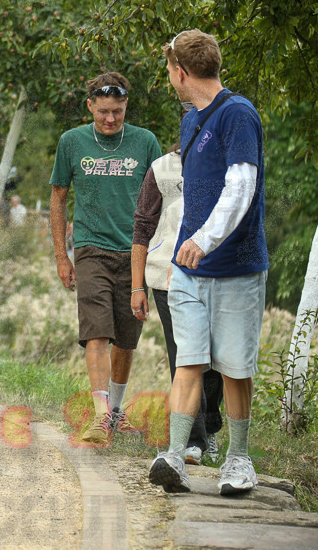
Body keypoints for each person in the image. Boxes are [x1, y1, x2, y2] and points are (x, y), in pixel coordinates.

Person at [148, 29, 268, 496]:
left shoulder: (238, 115)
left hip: (236, 268)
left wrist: (204, 239)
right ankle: (175, 456)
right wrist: (184, 249)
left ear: (180, 72)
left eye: (169, 71)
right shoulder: (191, 120)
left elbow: (241, 187)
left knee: (236, 369)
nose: (170, 78)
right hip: (188, 271)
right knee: (190, 361)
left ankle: (239, 459)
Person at [49, 73, 162, 445]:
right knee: (96, 331)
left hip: (135, 252)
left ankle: (115, 410)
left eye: (117, 111)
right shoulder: (71, 142)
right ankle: (100, 416)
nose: (110, 119)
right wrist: (62, 256)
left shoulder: (145, 142)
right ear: (90, 106)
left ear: (126, 106)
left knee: (126, 340)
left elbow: (162, 197)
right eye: (103, 112)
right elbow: (58, 199)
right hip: (90, 248)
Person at [133, 143, 225, 465]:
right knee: (185, 357)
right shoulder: (162, 168)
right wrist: (137, 285)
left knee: (215, 361)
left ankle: (209, 426)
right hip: (167, 275)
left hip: (217, 273)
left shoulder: (228, 164)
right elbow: (142, 226)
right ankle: (192, 441)